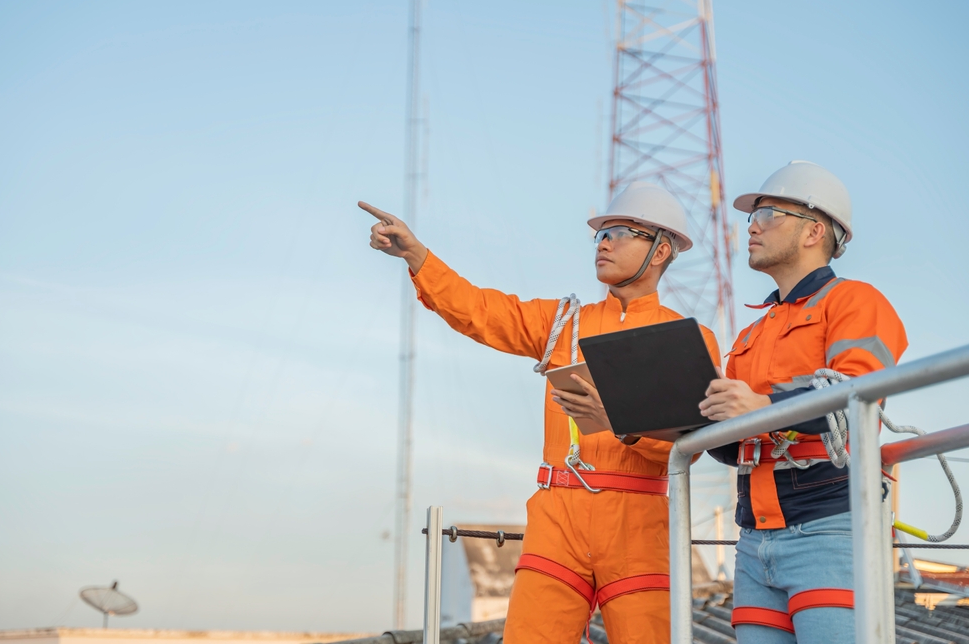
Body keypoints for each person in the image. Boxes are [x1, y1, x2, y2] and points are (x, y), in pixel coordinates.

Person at [360, 182, 721, 644]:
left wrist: (619, 422)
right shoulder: (563, 323)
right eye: (600, 234)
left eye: (619, 233)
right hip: (557, 519)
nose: (603, 243)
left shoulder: (688, 341)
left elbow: (691, 446)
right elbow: (480, 310)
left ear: (660, 251)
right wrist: (417, 255)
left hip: (639, 526)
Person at [698, 161, 908, 643]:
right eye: (752, 216)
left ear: (814, 231)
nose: (752, 226)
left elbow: (856, 397)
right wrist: (686, 421)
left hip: (830, 529)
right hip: (753, 540)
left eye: (767, 214)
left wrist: (761, 407)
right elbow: (732, 445)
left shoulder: (856, 302)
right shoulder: (751, 335)